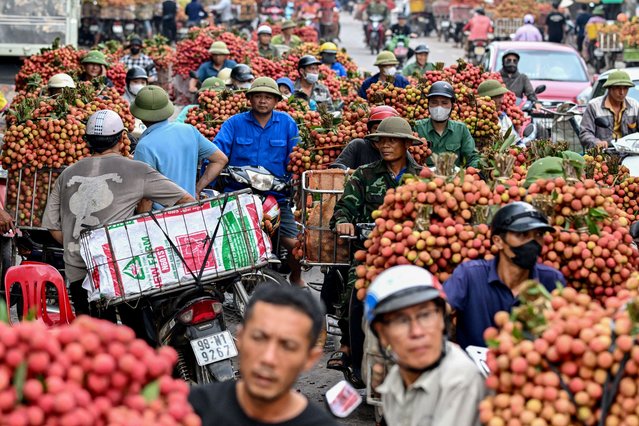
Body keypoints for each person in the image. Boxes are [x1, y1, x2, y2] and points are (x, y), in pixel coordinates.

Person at [42, 110, 194, 319]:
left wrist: (79, 248)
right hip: (124, 273)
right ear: (122, 138)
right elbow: (186, 201)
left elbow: (53, 227)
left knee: (90, 337)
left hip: (78, 272)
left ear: (87, 141)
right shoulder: (138, 170)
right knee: (135, 334)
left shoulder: (68, 173)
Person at [330, 116, 423, 388]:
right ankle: (356, 359)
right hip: (369, 256)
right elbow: (343, 209)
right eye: (382, 140)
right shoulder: (363, 174)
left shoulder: (422, 178)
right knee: (355, 298)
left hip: (412, 257)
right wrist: (344, 222)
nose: (385, 145)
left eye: (392, 140)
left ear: (406, 144)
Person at [189, 285, 339, 426]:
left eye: (288, 346)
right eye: (259, 338)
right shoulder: (193, 410)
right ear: (239, 338)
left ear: (310, 358)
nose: (268, 358)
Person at [366, 265, 488, 426]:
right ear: (382, 334)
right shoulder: (395, 382)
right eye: (400, 320)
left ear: (442, 321)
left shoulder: (461, 381)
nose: (417, 332)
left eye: (425, 315)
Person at [213, 77, 303, 287]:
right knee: (221, 240)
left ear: (276, 101)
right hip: (238, 196)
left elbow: (297, 156)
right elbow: (217, 152)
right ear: (250, 99)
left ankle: (296, 277)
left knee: (295, 244)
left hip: (276, 197)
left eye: (268, 97)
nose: (263, 101)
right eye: (259, 97)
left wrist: (296, 182)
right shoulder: (234, 123)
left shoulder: (287, 124)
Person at [444, 202, 565, 349]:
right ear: (498, 241)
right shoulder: (469, 276)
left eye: (538, 235)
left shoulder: (552, 280)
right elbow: (439, 309)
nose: (533, 243)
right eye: (522, 234)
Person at [131, 86, 228, 207]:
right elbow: (220, 159)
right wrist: (196, 190)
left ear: (141, 115)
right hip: (189, 212)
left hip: (161, 219)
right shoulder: (189, 130)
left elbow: (145, 198)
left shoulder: (144, 146)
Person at [415, 81, 480, 168]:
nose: (439, 107)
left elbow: (472, 158)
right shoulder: (417, 128)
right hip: (423, 179)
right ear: (428, 105)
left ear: (452, 106)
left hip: (452, 179)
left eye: (444, 103)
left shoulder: (461, 129)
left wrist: (473, 170)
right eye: (434, 102)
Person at [580, 70, 639, 150]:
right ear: (609, 88)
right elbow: (585, 132)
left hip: (630, 154)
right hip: (603, 154)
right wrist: (596, 142)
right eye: (617, 88)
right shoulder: (594, 106)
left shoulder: (635, 105)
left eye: (625, 88)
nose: (622, 92)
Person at [331, 105, 400, 169]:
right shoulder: (358, 145)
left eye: (386, 130)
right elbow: (336, 169)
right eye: (376, 129)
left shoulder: (400, 152)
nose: (380, 135)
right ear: (369, 131)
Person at [477, 79, 522, 146]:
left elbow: (516, 141)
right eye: (497, 97)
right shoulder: (478, 122)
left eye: (501, 97)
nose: (501, 101)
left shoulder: (503, 117)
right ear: (487, 99)